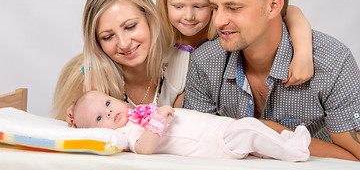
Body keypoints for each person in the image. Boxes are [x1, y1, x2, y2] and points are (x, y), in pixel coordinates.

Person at [182, 0, 360, 161]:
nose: (218, 21)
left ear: (273, 6)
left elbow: (355, 155)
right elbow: (195, 150)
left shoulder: (332, 62)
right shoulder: (205, 62)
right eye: (215, 8)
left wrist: (269, 132)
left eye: (233, 8)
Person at [156, 0, 314, 107]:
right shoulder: (159, 42)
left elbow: (290, 12)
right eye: (178, 6)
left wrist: (303, 53)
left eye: (199, 6)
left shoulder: (227, 35)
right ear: (164, 3)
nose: (188, 16)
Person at [70, 90, 311, 162]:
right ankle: (293, 151)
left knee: (252, 135)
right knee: (249, 128)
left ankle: (281, 145)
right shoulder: (126, 132)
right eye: (100, 118)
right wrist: (158, 120)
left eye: (107, 102)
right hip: (215, 142)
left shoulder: (135, 114)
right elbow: (144, 148)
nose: (109, 111)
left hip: (216, 127)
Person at [52, 0, 172, 121]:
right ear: (97, 43)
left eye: (130, 26)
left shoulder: (182, 64)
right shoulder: (84, 79)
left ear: (149, 17)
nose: (123, 44)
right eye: (108, 37)